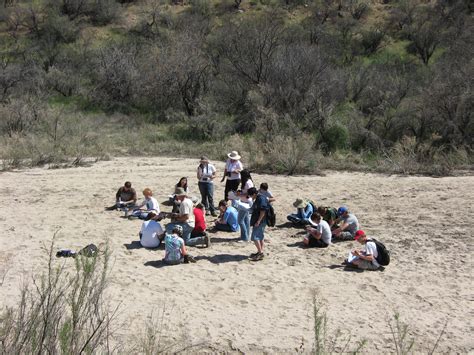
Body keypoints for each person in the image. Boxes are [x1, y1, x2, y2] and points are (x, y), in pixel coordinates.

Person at [248, 187, 269, 261]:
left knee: (254, 237)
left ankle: (260, 253)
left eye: (251, 195)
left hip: (261, 221)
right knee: (260, 236)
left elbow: (262, 211)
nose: (250, 197)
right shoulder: (259, 197)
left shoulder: (261, 199)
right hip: (261, 220)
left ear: (254, 194)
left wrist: (258, 221)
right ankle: (260, 252)